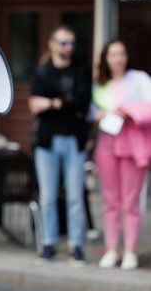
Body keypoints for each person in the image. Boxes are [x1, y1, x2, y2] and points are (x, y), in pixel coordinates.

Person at [29, 25, 91, 265]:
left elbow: (83, 103)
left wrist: (53, 104)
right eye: (64, 43)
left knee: (76, 196)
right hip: (47, 140)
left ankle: (76, 245)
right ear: (52, 44)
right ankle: (49, 243)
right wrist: (66, 103)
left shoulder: (81, 69)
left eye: (72, 43)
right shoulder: (42, 71)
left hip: (74, 139)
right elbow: (35, 104)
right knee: (47, 196)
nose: (69, 47)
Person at [90, 40, 151, 270]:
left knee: (130, 201)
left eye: (121, 53)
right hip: (107, 142)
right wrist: (98, 115)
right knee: (110, 200)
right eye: (113, 54)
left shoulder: (139, 79)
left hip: (132, 144)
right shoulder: (100, 84)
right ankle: (112, 248)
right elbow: (92, 111)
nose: (118, 58)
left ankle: (130, 250)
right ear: (106, 58)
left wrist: (127, 111)